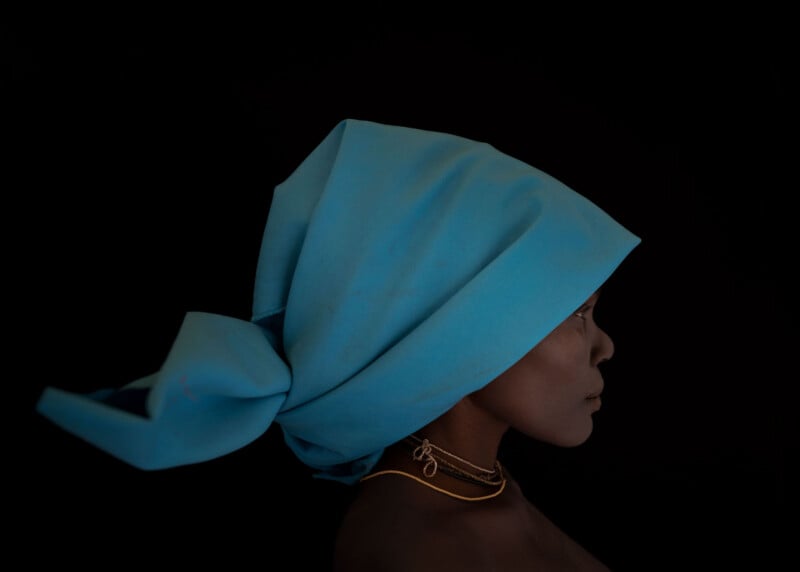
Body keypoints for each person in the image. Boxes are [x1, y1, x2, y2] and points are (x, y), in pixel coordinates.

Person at [35, 118, 640, 570]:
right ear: (456, 332)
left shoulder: (479, 485)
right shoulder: (411, 550)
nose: (605, 346)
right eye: (578, 313)